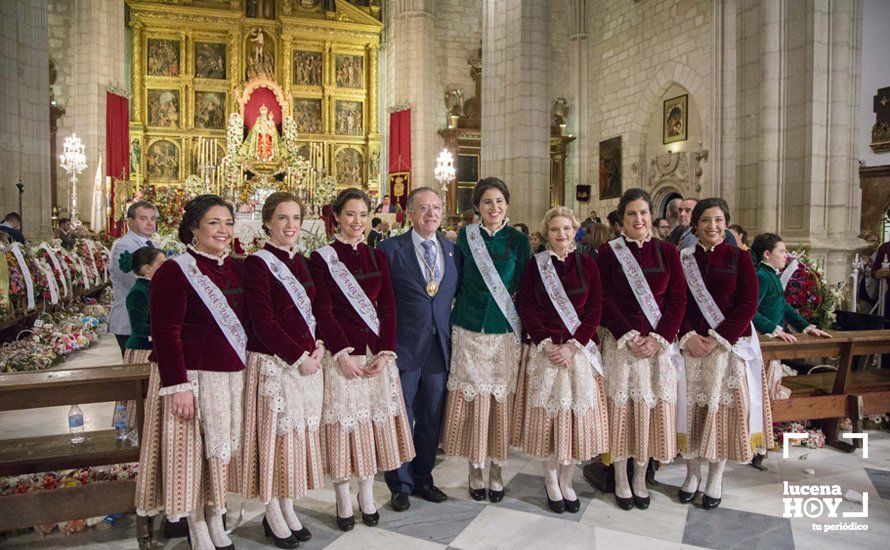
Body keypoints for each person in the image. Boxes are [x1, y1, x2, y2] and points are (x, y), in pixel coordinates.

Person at [136, 195, 247, 550]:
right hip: (191, 378)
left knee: (219, 455)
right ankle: (197, 526)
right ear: (194, 228)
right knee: (192, 458)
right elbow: (166, 331)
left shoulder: (234, 268)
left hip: (228, 376)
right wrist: (178, 385)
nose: (223, 230)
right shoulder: (175, 269)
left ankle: (217, 519)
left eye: (228, 223)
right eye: (214, 222)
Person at [309, 188, 415, 532]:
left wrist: (385, 352)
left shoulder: (377, 256)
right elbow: (322, 310)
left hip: (375, 358)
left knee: (372, 429)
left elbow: (388, 306)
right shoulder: (321, 258)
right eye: (350, 214)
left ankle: (367, 495)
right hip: (343, 359)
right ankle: (342, 497)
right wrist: (341, 355)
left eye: (363, 214)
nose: (357, 222)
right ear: (336, 216)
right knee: (344, 431)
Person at [676, 198, 772, 511]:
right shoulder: (684, 258)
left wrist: (719, 338)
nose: (712, 226)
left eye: (718, 220)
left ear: (726, 223)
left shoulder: (740, 258)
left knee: (721, 415)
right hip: (692, 348)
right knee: (691, 413)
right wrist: (689, 335)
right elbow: (679, 302)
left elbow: (748, 303)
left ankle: (716, 476)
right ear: (696, 224)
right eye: (705, 220)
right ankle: (692, 474)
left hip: (727, 348)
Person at [441, 177, 530, 502]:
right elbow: (455, 280)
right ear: (477, 207)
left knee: (498, 404)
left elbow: (524, 285)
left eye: (500, 201)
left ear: (507, 204)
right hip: (468, 329)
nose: (495, 207)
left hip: (504, 332)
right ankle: (474, 468)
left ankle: (496, 467)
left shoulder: (518, 241)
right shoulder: (465, 237)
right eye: (487, 202)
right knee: (472, 404)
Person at [596, 188, 686, 511]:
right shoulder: (608, 253)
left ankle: (640, 476)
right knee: (622, 412)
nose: (638, 219)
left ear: (652, 216)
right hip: (622, 346)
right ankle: (620, 475)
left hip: (657, 348)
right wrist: (629, 334)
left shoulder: (668, 253)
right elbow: (602, 298)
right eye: (631, 214)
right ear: (621, 220)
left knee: (649, 412)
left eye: (644, 213)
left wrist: (659, 337)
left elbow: (678, 299)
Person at [516, 207, 608, 514]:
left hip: (577, 353)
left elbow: (595, 308)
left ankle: (568, 480)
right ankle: (551, 479)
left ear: (576, 230)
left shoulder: (588, 264)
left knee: (574, 420)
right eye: (555, 229)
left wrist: (573, 345)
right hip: (545, 353)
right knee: (550, 421)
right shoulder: (535, 265)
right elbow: (527, 307)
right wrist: (546, 342)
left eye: (567, 228)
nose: (562, 234)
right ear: (545, 233)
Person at [242, 192, 322, 548]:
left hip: (305, 363)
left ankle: (288, 506)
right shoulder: (257, 264)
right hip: (275, 363)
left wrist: (317, 347)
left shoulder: (301, 262)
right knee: (274, 442)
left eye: (295, 218)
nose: (290, 226)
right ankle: (271, 511)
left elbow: (313, 310)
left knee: (294, 441)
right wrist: (298, 356)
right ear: (268, 222)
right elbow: (263, 322)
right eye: (282, 218)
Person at [378, 187, 460, 512]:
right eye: (424, 208)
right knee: (401, 415)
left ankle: (424, 476)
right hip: (404, 346)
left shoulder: (453, 251)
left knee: (430, 416)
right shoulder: (389, 249)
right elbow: (381, 300)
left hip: (438, 347)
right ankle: (400, 484)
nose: (431, 214)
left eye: (436, 208)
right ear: (410, 213)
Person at [751, 233, 832, 398]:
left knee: (771, 385)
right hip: (764, 341)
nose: (786, 255)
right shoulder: (761, 276)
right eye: (782, 251)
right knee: (763, 388)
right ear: (767, 254)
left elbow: (784, 306)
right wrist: (773, 328)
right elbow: (751, 311)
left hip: (773, 340)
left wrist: (806, 327)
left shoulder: (771, 274)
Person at [114, 246, 166, 432]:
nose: (166, 267)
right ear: (147, 269)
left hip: (153, 348)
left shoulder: (153, 287)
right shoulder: (138, 291)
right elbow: (139, 327)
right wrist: (167, 329)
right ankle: (135, 431)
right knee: (141, 398)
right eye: (161, 263)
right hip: (142, 351)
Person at [110, 201, 158, 355]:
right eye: (143, 218)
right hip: (132, 321)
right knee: (136, 368)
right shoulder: (125, 246)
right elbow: (136, 281)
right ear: (130, 222)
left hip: (147, 319)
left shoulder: (151, 243)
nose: (150, 223)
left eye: (153, 218)